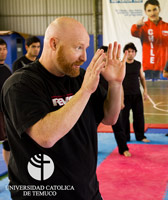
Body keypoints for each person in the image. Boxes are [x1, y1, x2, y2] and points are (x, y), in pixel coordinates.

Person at [0, 17, 127, 200]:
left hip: (86, 190)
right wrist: (84, 91)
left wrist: (115, 83)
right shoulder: (21, 84)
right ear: (53, 44)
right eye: (78, 48)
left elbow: (110, 118)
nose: (84, 57)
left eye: (85, 48)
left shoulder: (80, 77)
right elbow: (45, 136)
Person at [131, 0, 168, 79]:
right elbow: (134, 33)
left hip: (165, 67)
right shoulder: (143, 27)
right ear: (145, 12)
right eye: (149, 10)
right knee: (150, 91)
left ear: (159, 9)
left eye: (154, 9)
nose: (152, 13)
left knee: (166, 91)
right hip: (149, 68)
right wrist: (137, 26)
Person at [99, 45, 131, 157]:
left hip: (112, 101)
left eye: (108, 54)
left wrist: (121, 101)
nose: (106, 56)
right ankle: (92, 149)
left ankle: (123, 148)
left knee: (118, 126)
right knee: (91, 128)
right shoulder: (96, 69)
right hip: (97, 102)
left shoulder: (114, 69)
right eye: (104, 54)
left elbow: (119, 85)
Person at [121, 42, 150, 143]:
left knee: (139, 116)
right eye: (128, 51)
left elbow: (142, 78)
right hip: (124, 95)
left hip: (136, 94)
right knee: (124, 117)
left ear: (135, 53)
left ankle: (140, 136)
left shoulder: (138, 64)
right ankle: (125, 137)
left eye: (132, 51)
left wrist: (145, 91)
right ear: (125, 53)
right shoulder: (121, 64)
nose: (130, 53)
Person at [0, 38, 12, 166]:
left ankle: (10, 174)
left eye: (4, 49)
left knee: (8, 143)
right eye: (0, 49)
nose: (3, 52)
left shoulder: (7, 68)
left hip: (7, 111)